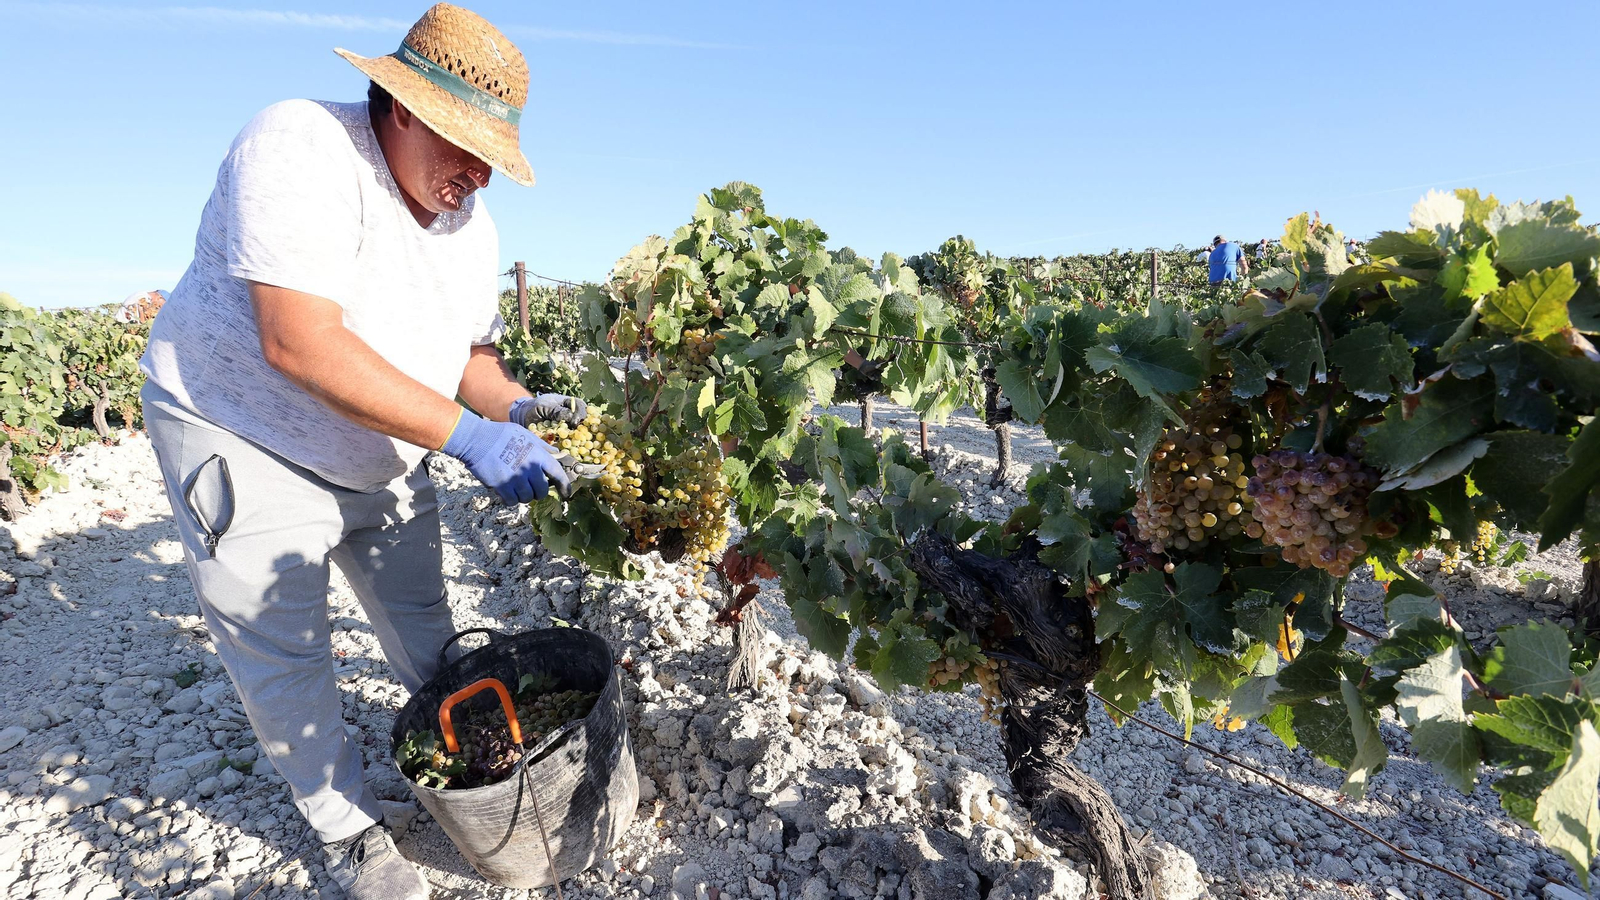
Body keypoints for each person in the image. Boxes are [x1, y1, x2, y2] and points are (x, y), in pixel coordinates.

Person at [136, 5, 585, 897]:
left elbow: (470, 357)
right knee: (285, 654)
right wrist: (465, 436)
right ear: (404, 106)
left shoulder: (473, 229)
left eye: (491, 154)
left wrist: (517, 408)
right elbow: (297, 340)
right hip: (243, 431)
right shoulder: (301, 144)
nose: (478, 173)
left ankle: (475, 752)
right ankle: (346, 830)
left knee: (426, 623)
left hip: (379, 452)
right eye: (463, 145)